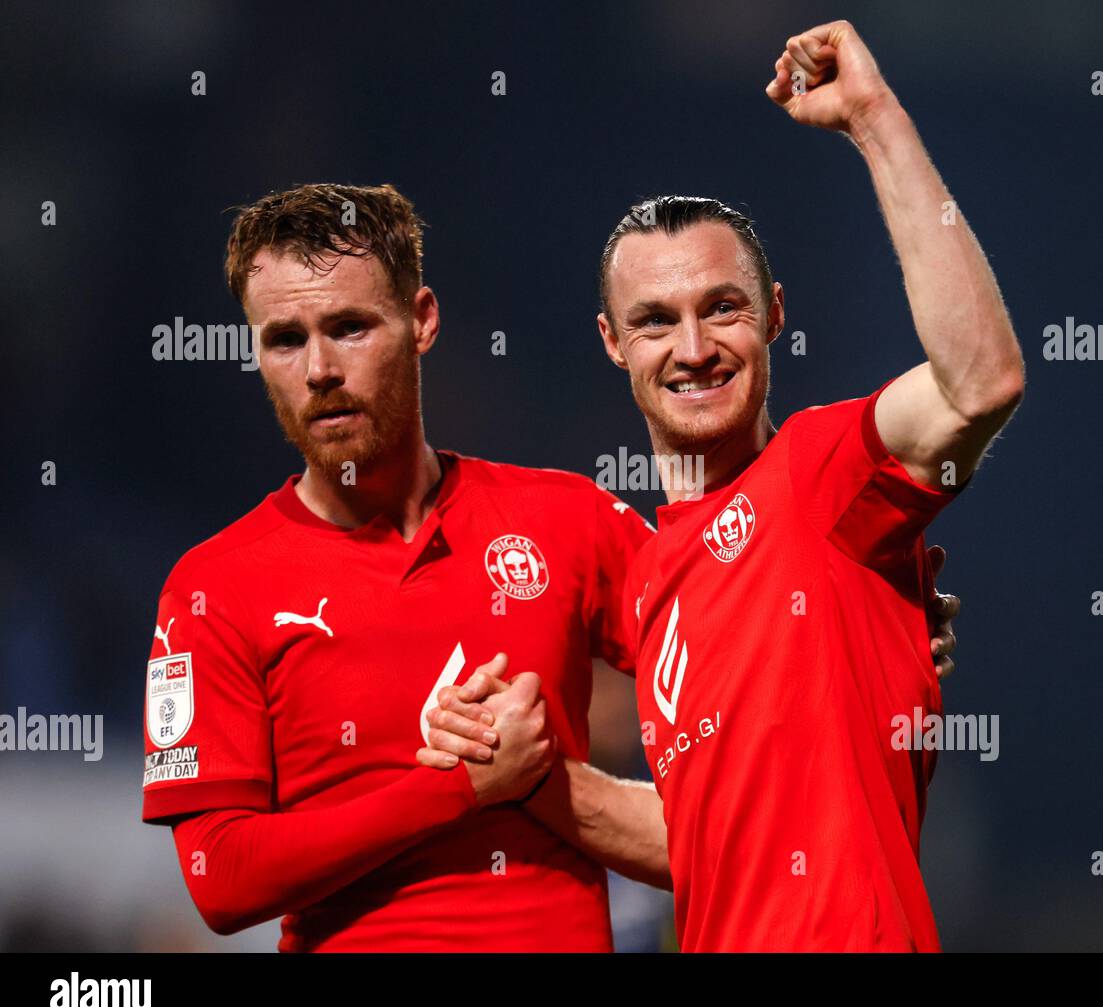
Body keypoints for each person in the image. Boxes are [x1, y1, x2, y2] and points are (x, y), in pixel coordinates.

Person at [141, 181, 963, 951]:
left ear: (422, 320)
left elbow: (742, 665)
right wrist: (455, 789)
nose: (319, 369)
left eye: (350, 327)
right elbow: (220, 879)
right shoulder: (213, 587)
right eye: (285, 339)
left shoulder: (566, 521)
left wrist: (858, 623)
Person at [427, 21, 1020, 952]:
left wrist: (873, 120)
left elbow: (978, 380)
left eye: (723, 309)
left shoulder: (825, 473)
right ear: (613, 343)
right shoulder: (655, 576)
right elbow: (697, 841)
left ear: (776, 316)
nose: (694, 348)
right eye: (656, 320)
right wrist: (533, 772)